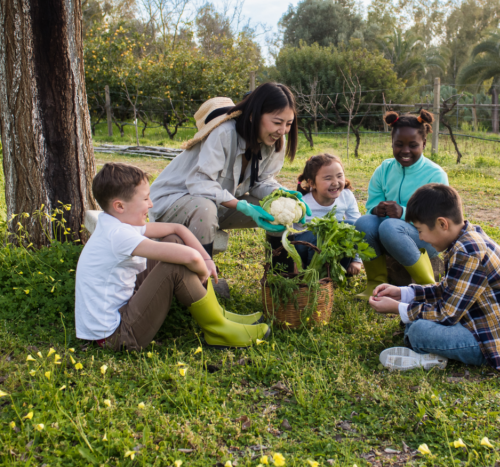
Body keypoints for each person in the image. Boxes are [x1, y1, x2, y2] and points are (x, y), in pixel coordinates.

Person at [76, 163, 269, 350]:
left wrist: (207, 259)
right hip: (117, 336)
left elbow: (177, 228)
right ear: (119, 206)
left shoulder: (113, 222)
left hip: (121, 313)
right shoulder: (118, 235)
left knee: (173, 240)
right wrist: (203, 269)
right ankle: (218, 329)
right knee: (174, 265)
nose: (150, 204)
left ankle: (219, 315)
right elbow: (190, 258)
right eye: (145, 199)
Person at [369, 184, 500, 375]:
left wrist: (397, 308)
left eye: (420, 230)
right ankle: (426, 347)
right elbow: (447, 290)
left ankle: (427, 356)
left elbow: (446, 314)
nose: (421, 238)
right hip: (483, 323)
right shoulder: (466, 240)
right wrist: (404, 293)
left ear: (443, 224)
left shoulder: (468, 251)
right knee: (415, 319)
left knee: (419, 331)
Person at [148, 82, 308, 269]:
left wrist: (283, 194)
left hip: (217, 203)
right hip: (172, 203)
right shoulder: (224, 133)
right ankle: (200, 287)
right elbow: (200, 184)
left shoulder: (274, 140)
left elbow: (260, 181)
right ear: (253, 116)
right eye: (277, 122)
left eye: (288, 124)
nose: (283, 131)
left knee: (279, 209)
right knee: (205, 209)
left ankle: (281, 282)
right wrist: (242, 205)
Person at [353, 110, 448, 297]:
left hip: (426, 239)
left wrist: (404, 212)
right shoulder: (384, 169)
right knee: (363, 223)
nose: (405, 151)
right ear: (392, 144)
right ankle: (375, 283)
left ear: (424, 144)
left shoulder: (435, 175)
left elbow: (436, 218)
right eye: (399, 144)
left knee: (390, 226)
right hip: (392, 232)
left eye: (413, 145)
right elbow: (372, 202)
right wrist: (376, 208)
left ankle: (427, 287)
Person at [287, 153, 363, 274]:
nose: (335, 182)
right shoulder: (302, 202)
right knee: (320, 233)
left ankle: (335, 272)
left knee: (352, 226)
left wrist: (357, 260)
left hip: (330, 248)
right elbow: (288, 234)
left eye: (339, 176)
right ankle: (312, 274)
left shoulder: (346, 195)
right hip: (304, 247)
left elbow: (358, 228)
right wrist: (294, 261)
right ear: (312, 183)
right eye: (328, 178)